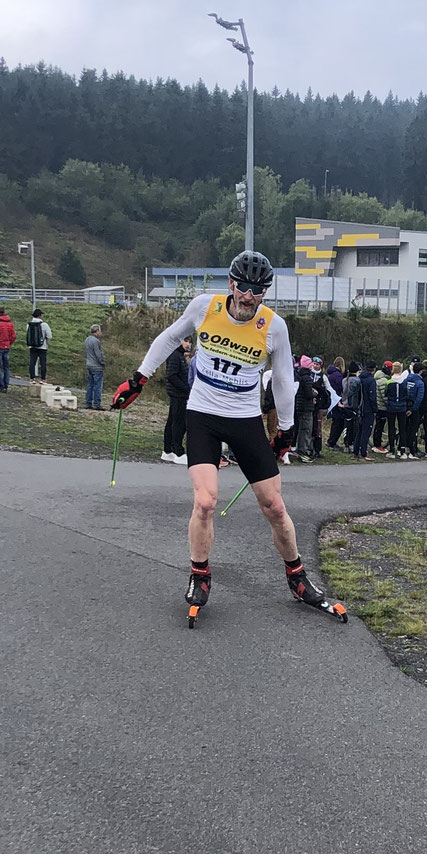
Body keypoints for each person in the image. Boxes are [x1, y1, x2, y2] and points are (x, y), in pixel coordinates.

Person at [112, 250, 343, 623]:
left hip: (244, 419)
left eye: (258, 289)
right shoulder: (206, 307)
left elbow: (284, 381)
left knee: (275, 506)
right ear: (231, 284)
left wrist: (283, 430)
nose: (249, 296)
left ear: (265, 291)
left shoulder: (273, 326)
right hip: (203, 415)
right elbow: (170, 337)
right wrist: (139, 378)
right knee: (205, 502)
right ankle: (199, 576)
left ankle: (297, 577)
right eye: (243, 287)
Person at [353, 361, 377, 457]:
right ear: (374, 369)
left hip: (359, 407)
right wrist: (375, 408)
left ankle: (356, 450)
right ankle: (363, 452)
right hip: (368, 408)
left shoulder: (359, 378)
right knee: (366, 431)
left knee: (360, 430)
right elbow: (372, 396)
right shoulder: (371, 380)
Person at [82, 324, 107, 411]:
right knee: (97, 386)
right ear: (97, 331)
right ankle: (97, 404)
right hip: (97, 366)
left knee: (90, 385)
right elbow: (98, 354)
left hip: (89, 364)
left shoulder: (87, 340)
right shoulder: (96, 341)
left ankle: (88, 402)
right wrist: (103, 363)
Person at [26, 310, 51, 380]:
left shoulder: (29, 324)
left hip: (32, 346)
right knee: (43, 363)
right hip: (42, 347)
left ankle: (32, 378)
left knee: (32, 362)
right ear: (40, 315)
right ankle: (43, 379)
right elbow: (49, 336)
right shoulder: (44, 325)